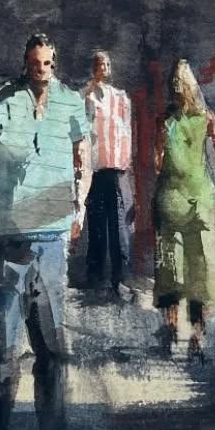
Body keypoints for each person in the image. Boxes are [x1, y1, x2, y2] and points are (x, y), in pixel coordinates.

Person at [0, 32, 89, 430]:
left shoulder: (71, 102)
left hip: (51, 238)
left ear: (54, 64)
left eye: (47, 64)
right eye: (34, 63)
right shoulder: (2, 99)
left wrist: (79, 209)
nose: (40, 70)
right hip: (8, 237)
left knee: (51, 346)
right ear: (25, 63)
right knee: (3, 345)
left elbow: (83, 157)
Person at [152, 60, 215, 357]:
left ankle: (171, 328)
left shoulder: (165, 121)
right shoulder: (206, 118)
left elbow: (157, 162)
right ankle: (197, 335)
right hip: (200, 198)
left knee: (171, 265)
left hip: (170, 198)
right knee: (200, 267)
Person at [83, 50, 132, 296]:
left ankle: (118, 278)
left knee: (118, 226)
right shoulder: (86, 97)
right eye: (100, 65)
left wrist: (124, 164)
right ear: (94, 68)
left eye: (107, 64)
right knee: (96, 225)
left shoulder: (121, 98)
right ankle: (96, 278)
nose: (104, 68)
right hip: (94, 170)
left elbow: (126, 132)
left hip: (115, 170)